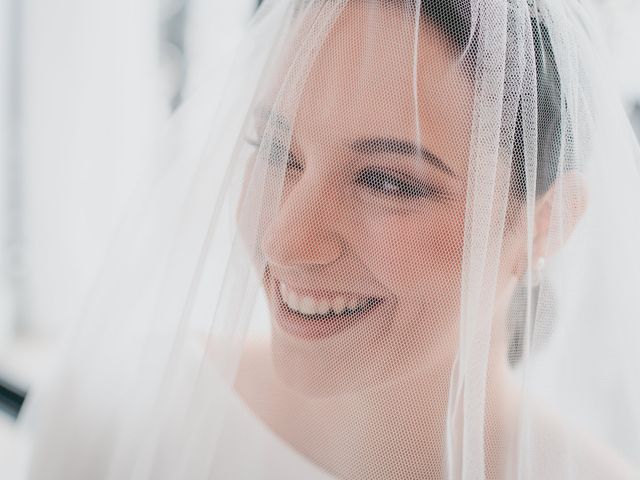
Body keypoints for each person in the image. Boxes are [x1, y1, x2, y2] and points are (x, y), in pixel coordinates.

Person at [21, 1, 640, 479]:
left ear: (543, 224)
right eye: (274, 151)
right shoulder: (118, 405)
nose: (288, 243)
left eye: (388, 181)